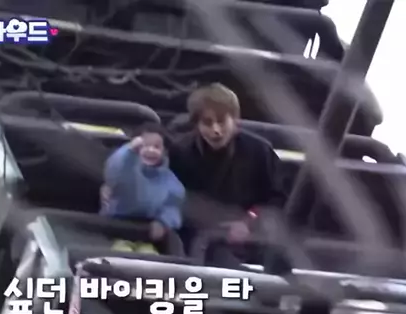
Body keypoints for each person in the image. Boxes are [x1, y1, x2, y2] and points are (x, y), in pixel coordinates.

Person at [166, 83, 285, 264]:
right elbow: (172, 200)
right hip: (199, 239)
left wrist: (249, 222)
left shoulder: (260, 151)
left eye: (221, 121)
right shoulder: (180, 152)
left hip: (253, 238)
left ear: (235, 120)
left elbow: (276, 199)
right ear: (196, 124)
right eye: (207, 123)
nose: (216, 130)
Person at [100, 123, 185, 254]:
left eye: (157, 147)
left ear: (164, 151)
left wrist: (163, 222)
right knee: (122, 252)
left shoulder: (169, 180)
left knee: (149, 257)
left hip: (146, 233)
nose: (150, 150)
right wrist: (129, 151)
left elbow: (172, 205)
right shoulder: (126, 167)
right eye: (144, 145)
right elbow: (115, 172)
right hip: (116, 229)